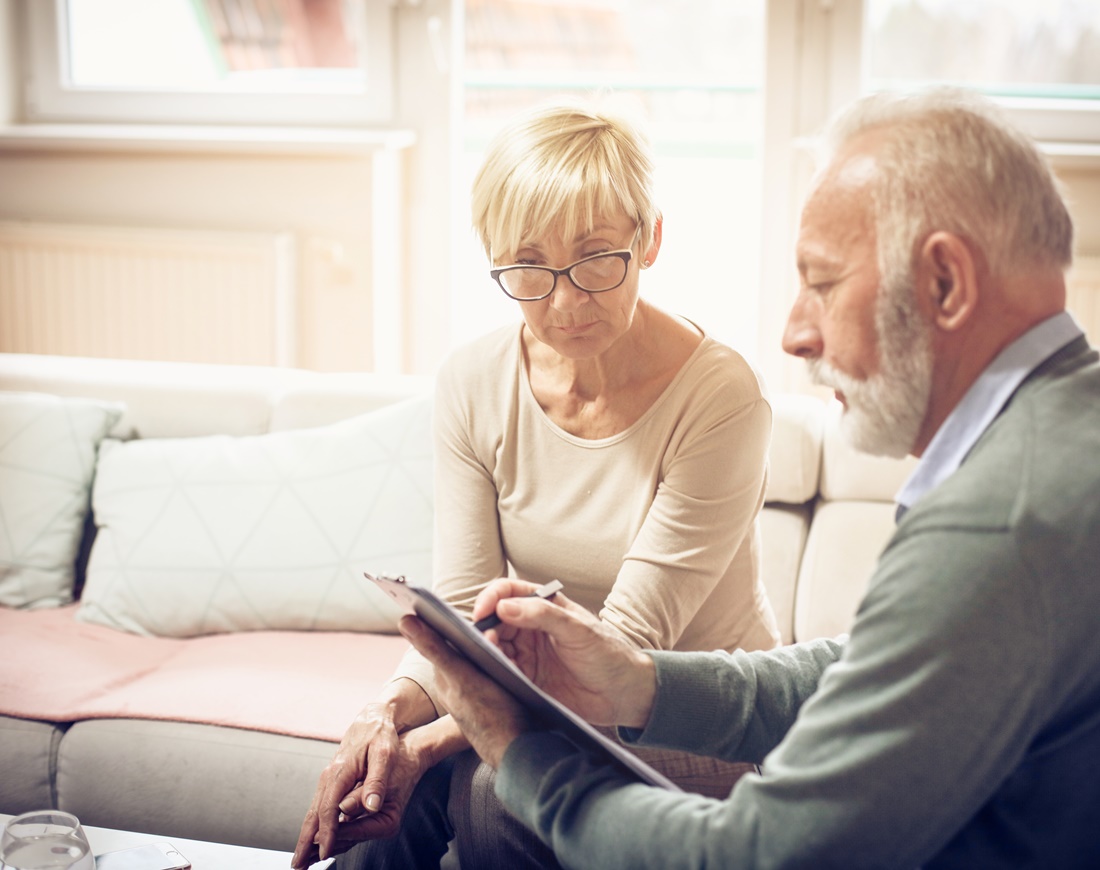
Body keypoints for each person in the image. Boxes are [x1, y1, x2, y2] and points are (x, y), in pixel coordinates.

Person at [397, 86, 1100, 868]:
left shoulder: (1001, 520)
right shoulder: (1061, 440)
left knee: (491, 803)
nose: (795, 334)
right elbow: (864, 666)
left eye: (823, 282)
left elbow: (760, 856)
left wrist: (524, 757)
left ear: (945, 282)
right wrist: (640, 683)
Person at [292, 101, 781, 869]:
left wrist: (433, 742)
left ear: (649, 240)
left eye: (594, 259)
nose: (564, 302)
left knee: (488, 785)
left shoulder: (721, 397)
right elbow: (458, 621)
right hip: (555, 697)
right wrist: (384, 716)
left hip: (689, 723)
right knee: (381, 782)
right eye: (528, 267)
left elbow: (624, 649)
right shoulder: (473, 381)